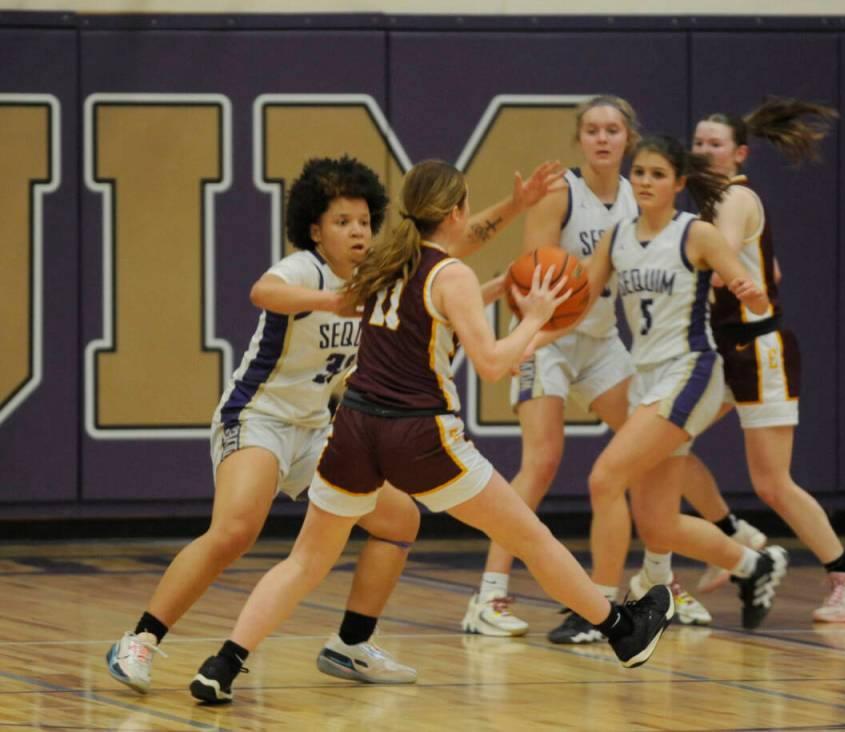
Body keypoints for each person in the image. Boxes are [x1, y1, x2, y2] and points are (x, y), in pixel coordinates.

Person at [188, 159, 673, 704]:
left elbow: (430, 310)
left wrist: (497, 286)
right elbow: (491, 363)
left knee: (304, 561)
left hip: (353, 428)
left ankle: (223, 663)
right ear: (455, 211)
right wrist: (535, 319)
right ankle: (622, 630)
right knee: (529, 537)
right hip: (419, 434)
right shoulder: (451, 275)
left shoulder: (385, 262)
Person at [106, 154, 563, 694]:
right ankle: (141, 639)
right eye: (342, 222)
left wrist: (516, 206)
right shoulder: (305, 269)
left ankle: (350, 645)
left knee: (400, 522)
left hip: (318, 427)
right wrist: (333, 301)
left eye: (365, 221)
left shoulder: (383, 272)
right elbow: (262, 292)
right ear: (315, 230)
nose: (356, 231)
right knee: (236, 529)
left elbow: (453, 241)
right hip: (259, 415)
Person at [463, 96, 720, 643]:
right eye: (592, 130)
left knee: (654, 454)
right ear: (579, 139)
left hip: (603, 343)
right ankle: (488, 595)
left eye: (612, 130)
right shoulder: (561, 193)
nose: (602, 139)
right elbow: (539, 278)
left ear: (628, 138)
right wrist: (552, 311)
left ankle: (661, 582)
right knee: (543, 462)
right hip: (552, 342)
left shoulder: (639, 197)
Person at [577, 134, 791, 632]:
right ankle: (755, 564)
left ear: (679, 184)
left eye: (657, 174)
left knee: (605, 478)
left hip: (690, 371)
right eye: (641, 172)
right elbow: (581, 298)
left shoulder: (696, 234)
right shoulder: (618, 237)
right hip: (645, 378)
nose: (645, 181)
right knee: (658, 523)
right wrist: (534, 317)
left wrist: (751, 292)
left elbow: (754, 297)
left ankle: (601, 611)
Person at [687, 98, 845, 622]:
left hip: (759, 348)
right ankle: (732, 534)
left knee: (772, 483)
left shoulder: (734, 199)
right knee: (665, 447)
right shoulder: (713, 204)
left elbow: (723, 264)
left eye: (714, 144)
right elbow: (769, 266)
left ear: (738, 153)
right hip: (726, 347)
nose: (703, 150)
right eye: (698, 142)